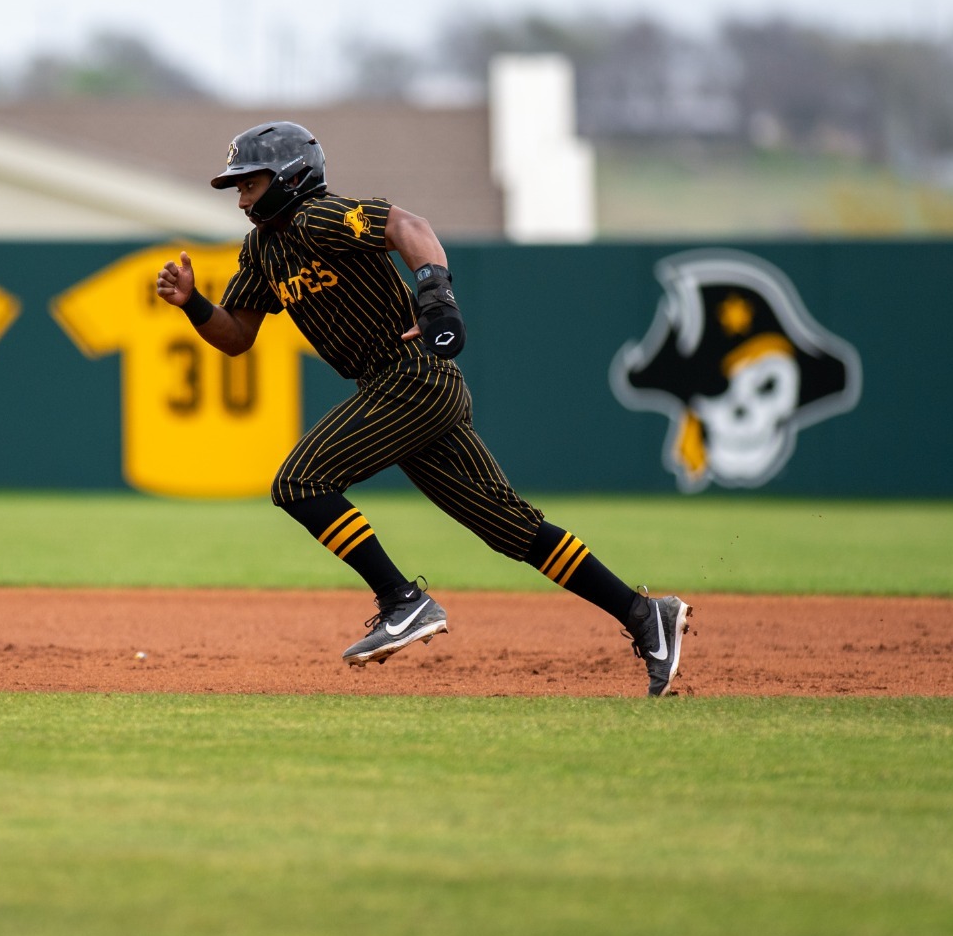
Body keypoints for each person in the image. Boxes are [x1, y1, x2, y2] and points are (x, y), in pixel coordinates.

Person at [157, 121, 690, 694]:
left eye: (250, 182)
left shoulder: (319, 215)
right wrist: (193, 304)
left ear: (289, 175)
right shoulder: (265, 248)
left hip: (410, 376)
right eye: (236, 186)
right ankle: (644, 616)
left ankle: (402, 601)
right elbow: (238, 336)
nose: (241, 197)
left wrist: (436, 295)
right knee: (511, 527)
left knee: (299, 483)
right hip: (399, 386)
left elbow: (410, 226)